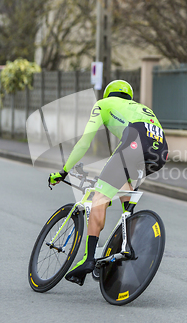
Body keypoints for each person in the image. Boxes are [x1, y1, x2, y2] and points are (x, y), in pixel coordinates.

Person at [48, 80, 169, 285]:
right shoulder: (140, 108)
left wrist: (64, 171)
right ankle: (126, 241)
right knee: (124, 193)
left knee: (100, 197)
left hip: (134, 144)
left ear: (108, 94)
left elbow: (84, 142)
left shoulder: (103, 104)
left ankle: (88, 260)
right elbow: (125, 149)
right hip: (160, 152)